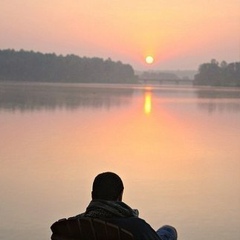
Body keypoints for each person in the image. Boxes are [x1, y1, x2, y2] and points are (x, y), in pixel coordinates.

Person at [51, 172, 177, 240]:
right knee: (169, 231)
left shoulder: (74, 225)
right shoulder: (136, 227)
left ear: (92, 195)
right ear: (120, 196)